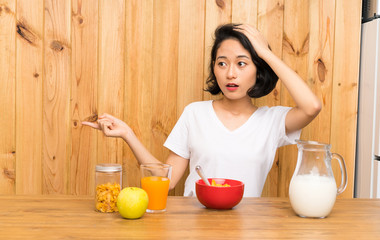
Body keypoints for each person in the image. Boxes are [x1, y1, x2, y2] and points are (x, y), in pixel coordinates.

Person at [82, 23, 321, 197]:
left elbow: (312, 107)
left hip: (248, 229)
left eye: (241, 63)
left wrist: (266, 53)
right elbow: (166, 182)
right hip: (193, 228)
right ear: (215, 69)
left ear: (258, 70)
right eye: (222, 63)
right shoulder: (195, 113)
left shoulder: (272, 121)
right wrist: (127, 134)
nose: (230, 73)